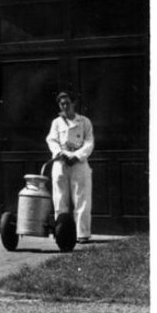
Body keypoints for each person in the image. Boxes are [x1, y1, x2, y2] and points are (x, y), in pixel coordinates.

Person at [46, 90, 95, 243]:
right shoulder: (56, 123)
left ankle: (82, 234)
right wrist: (61, 154)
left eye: (67, 103)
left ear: (73, 103)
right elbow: (52, 140)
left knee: (82, 198)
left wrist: (76, 156)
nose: (65, 106)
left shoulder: (84, 122)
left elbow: (89, 142)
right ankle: (62, 234)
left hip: (79, 163)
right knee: (60, 199)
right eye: (62, 104)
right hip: (61, 163)